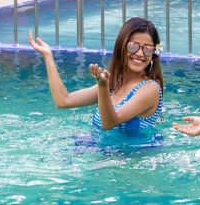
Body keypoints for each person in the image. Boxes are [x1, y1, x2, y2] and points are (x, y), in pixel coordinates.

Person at [29, 17, 163, 132]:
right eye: (133, 46)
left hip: (132, 159)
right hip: (104, 154)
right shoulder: (115, 82)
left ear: (154, 52)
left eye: (147, 49)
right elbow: (64, 101)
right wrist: (48, 56)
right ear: (121, 46)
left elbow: (109, 123)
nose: (140, 54)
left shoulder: (150, 89)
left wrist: (102, 86)